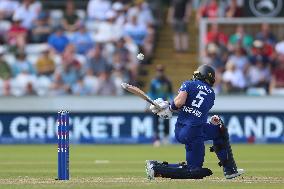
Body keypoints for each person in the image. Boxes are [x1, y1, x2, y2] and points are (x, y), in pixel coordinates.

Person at [146, 65, 244, 180]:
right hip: (195, 131)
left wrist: (168, 107)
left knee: (195, 168)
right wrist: (170, 107)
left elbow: (179, 103)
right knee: (219, 131)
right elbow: (195, 111)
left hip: (182, 130)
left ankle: (156, 167)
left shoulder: (188, 84)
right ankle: (230, 169)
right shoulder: (211, 94)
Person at [148, 65, 173, 145]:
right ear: (156, 71)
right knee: (156, 122)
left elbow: (170, 93)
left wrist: (172, 103)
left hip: (165, 105)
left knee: (166, 120)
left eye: (161, 71)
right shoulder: (154, 82)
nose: (160, 73)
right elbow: (151, 94)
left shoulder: (167, 81)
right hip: (155, 104)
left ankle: (166, 137)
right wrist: (148, 105)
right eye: (158, 71)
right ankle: (156, 139)